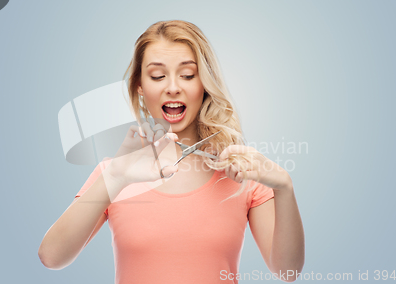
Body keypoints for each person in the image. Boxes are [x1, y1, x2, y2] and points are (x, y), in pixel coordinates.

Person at [38, 20, 305, 283]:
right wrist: (116, 176)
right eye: (157, 76)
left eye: (188, 75)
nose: (173, 86)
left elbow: (288, 272)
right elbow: (52, 257)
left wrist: (284, 187)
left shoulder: (241, 174)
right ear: (139, 86)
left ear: (204, 83)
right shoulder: (114, 173)